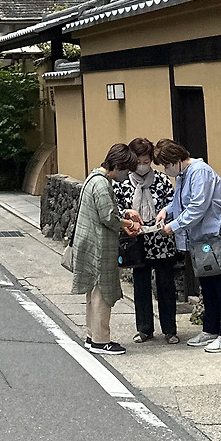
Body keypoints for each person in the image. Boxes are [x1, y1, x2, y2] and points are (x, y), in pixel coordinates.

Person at [153, 138, 221, 354]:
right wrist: (167, 211)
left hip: (220, 236)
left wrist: (174, 226)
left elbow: (197, 206)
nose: (166, 170)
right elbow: (180, 202)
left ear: (175, 159)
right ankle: (210, 330)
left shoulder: (200, 171)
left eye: (166, 165)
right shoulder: (183, 175)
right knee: (208, 286)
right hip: (204, 239)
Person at [70, 142, 139, 354]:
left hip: (89, 244)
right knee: (102, 294)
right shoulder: (102, 184)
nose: (126, 175)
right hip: (100, 246)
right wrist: (128, 223)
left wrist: (124, 214)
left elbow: (106, 210)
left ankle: (92, 336)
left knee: (93, 294)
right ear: (117, 165)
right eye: (126, 170)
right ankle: (101, 341)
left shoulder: (94, 178)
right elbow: (108, 216)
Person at [118, 137, 180, 344]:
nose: (143, 166)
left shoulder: (161, 180)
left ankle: (170, 329)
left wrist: (164, 219)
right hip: (136, 241)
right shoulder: (123, 182)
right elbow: (116, 208)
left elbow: (173, 203)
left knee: (165, 285)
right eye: (138, 162)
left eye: (146, 161)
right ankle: (144, 329)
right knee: (141, 285)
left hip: (161, 240)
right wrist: (128, 216)